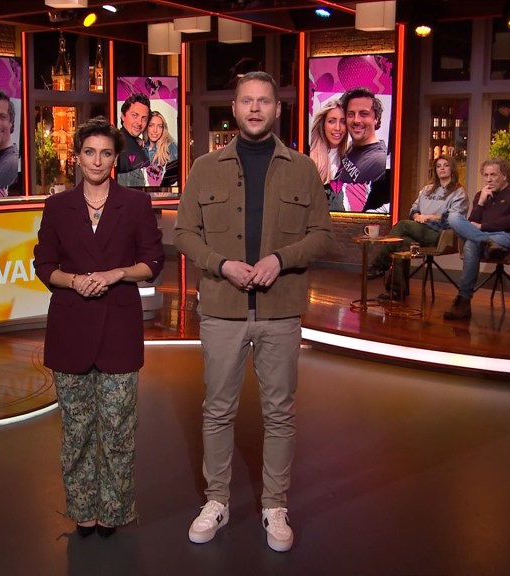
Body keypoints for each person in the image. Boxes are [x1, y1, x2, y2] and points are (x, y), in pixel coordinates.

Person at [174, 72, 332, 552]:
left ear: (277, 109)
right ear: (235, 108)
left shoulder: (302, 168)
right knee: (217, 410)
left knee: (279, 413)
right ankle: (216, 500)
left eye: (264, 101)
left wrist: (280, 259)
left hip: (280, 312)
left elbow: (322, 235)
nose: (256, 108)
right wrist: (221, 264)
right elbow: (184, 234)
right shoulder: (205, 167)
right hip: (221, 310)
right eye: (247, 101)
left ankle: (275, 505)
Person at [33, 116, 165, 540]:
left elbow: (153, 261)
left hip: (118, 328)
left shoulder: (136, 205)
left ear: (115, 158)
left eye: (105, 153)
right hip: (70, 326)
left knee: (118, 429)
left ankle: (113, 509)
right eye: (89, 152)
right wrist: (74, 281)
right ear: (77, 156)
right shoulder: (57, 207)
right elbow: (44, 265)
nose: (96, 160)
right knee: (77, 431)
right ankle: (82, 509)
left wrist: (116, 273)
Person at [368, 154, 468, 300]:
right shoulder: (427, 189)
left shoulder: (458, 192)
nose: (442, 169)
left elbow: (454, 218)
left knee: (402, 225)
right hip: (420, 227)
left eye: (446, 165)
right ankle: (397, 290)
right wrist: (416, 216)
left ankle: (378, 265)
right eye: (439, 166)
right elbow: (414, 208)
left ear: (452, 169)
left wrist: (428, 217)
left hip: (440, 233)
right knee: (401, 243)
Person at [443, 158, 510, 321]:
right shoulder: (481, 195)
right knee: (453, 217)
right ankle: (486, 242)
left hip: (505, 236)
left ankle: (463, 300)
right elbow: (471, 223)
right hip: (487, 239)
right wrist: (481, 203)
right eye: (486, 175)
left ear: (504, 176)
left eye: (493, 175)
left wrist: (484, 227)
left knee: (471, 243)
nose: (489, 179)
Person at [335, 87, 388, 212]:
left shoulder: (379, 161)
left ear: (376, 118)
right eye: (351, 114)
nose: (356, 120)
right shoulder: (349, 148)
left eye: (364, 114)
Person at [308, 97, 348, 210]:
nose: (337, 128)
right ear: (323, 125)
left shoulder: (349, 160)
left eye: (343, 122)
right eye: (332, 121)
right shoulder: (311, 160)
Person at [116, 94, 150, 187]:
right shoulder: (116, 145)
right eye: (134, 115)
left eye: (144, 118)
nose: (139, 123)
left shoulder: (139, 143)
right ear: (123, 116)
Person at [143, 110, 178, 187]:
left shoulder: (170, 148)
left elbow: (176, 180)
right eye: (151, 125)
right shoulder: (141, 148)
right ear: (146, 127)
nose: (155, 130)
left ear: (163, 129)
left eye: (159, 126)